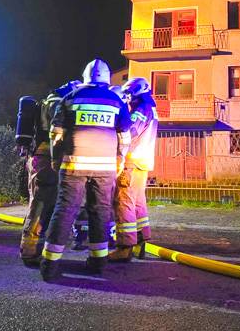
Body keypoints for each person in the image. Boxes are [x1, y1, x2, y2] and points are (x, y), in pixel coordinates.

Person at [40, 58, 131, 282]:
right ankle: (98, 262)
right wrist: (119, 160)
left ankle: (50, 264)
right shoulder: (116, 100)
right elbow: (125, 137)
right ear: (108, 78)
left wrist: (55, 158)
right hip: (106, 167)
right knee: (100, 212)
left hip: (73, 165)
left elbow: (55, 133)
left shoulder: (70, 98)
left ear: (85, 76)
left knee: (64, 211)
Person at [17, 80, 80, 267]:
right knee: (42, 204)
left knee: (39, 202)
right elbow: (57, 132)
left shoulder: (48, 100)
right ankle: (30, 250)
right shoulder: (57, 103)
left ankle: (33, 247)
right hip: (47, 158)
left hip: (38, 157)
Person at [109, 77, 158, 262]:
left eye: (129, 93)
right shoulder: (149, 105)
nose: (127, 97)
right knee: (138, 203)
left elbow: (130, 132)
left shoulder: (141, 108)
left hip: (131, 161)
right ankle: (140, 241)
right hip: (142, 162)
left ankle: (124, 247)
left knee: (124, 202)